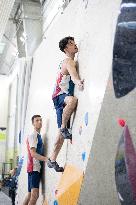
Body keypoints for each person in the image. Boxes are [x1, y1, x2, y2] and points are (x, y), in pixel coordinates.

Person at [47, 36, 84, 172]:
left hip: (59, 97)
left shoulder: (68, 61)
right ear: (65, 49)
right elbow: (74, 76)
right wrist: (79, 82)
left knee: (61, 135)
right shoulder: (69, 61)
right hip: (60, 96)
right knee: (73, 100)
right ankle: (64, 127)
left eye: (74, 42)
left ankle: (52, 160)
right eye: (70, 44)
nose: (74, 44)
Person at [23, 115, 48, 205]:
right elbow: (33, 154)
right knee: (35, 195)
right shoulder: (33, 135)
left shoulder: (37, 135)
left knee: (30, 194)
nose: (39, 122)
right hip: (34, 168)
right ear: (33, 123)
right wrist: (46, 159)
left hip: (33, 168)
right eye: (37, 120)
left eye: (41, 120)